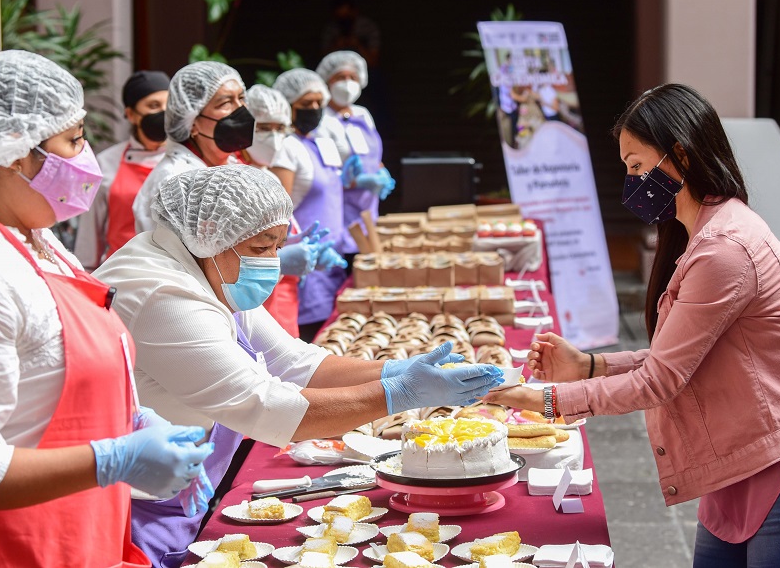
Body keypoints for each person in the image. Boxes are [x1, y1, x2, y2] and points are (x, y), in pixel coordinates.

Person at [485, 83, 780, 568]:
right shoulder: (701, 236)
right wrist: (589, 365)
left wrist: (543, 400)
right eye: (627, 169)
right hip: (738, 468)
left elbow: (661, 379)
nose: (633, 182)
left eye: (638, 166)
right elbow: (679, 359)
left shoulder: (726, 248)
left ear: (679, 155)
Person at [0, 51, 214, 568]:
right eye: (72, 140)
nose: (87, 155)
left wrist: (132, 417)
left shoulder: (33, 236)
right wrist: (114, 458)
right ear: (11, 154)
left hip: (73, 530)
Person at [94, 164, 503, 567]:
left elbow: (292, 360)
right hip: (136, 504)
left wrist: (393, 369)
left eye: (277, 245)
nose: (273, 261)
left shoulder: (205, 265)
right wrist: (400, 393)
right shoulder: (164, 295)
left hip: (177, 486)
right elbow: (266, 405)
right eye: (261, 248)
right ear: (208, 236)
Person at [244, 84, 345, 337]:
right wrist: (279, 262)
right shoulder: (237, 181)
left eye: (281, 128)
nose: (275, 137)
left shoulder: (268, 175)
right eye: (264, 128)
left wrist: (297, 242)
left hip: (283, 303)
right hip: (257, 308)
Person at [272, 68, 351, 342]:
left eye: (319, 103)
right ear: (288, 106)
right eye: (306, 104)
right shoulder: (285, 147)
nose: (315, 109)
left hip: (333, 261)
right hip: (306, 266)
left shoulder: (322, 143)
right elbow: (279, 212)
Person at [132, 62, 254, 234]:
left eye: (241, 98)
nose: (241, 109)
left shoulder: (232, 164)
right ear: (192, 121)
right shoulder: (176, 182)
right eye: (226, 103)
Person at [75, 70, 169, 270]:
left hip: (173, 274)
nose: (163, 113)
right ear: (131, 114)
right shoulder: (106, 162)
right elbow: (89, 234)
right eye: (154, 106)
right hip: (120, 274)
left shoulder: (184, 160)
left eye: (168, 106)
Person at [315, 50, 395, 259]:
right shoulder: (322, 121)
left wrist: (381, 173)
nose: (347, 83)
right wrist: (357, 181)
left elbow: (373, 155)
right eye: (340, 77)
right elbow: (322, 170)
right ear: (327, 81)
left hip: (368, 205)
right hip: (340, 205)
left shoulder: (362, 114)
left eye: (353, 77)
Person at [320, 0, 380, 67]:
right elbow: (324, 63)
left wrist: (357, 44)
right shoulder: (331, 28)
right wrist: (337, 45)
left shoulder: (367, 27)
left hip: (365, 68)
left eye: (347, 17)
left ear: (355, 12)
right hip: (338, 67)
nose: (345, 22)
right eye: (340, 19)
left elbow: (373, 61)